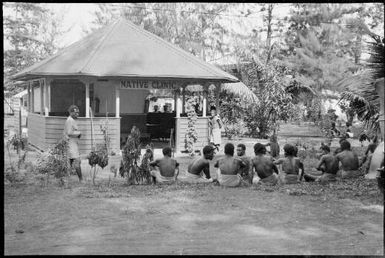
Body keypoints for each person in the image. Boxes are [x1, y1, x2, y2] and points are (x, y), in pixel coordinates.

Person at [63, 105, 82, 182]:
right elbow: (69, 132)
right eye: (75, 113)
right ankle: (81, 179)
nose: (77, 114)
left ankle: (66, 179)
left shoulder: (71, 120)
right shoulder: (70, 121)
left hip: (71, 143)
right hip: (71, 144)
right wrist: (78, 133)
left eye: (78, 112)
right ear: (71, 113)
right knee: (77, 160)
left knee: (70, 162)